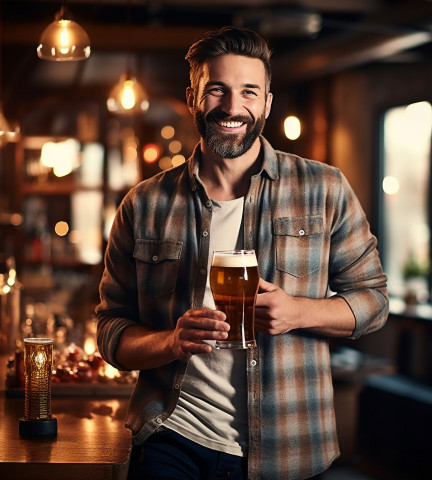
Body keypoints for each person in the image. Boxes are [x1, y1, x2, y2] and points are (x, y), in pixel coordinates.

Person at [96, 26, 388, 480]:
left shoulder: (323, 188)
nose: (233, 108)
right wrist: (171, 342)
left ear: (267, 102)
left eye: (249, 92)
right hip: (172, 435)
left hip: (288, 445)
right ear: (193, 96)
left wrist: (298, 312)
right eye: (217, 90)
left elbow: (374, 303)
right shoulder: (144, 204)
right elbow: (111, 329)